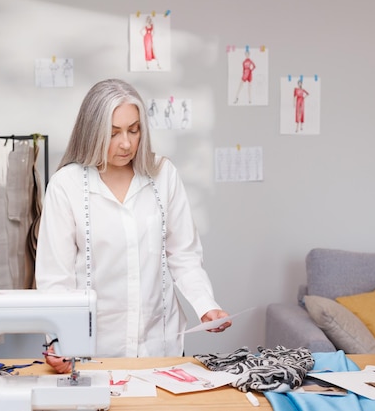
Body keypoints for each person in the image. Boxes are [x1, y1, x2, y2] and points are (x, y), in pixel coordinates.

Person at [35, 79, 230, 374]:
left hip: (160, 346)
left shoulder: (163, 174)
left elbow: (182, 254)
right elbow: (55, 279)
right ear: (92, 132)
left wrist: (205, 305)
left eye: (133, 129)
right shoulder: (66, 186)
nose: (126, 143)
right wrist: (61, 341)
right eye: (113, 133)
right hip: (93, 350)